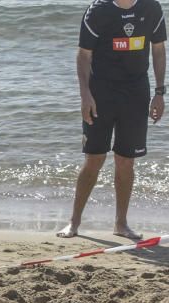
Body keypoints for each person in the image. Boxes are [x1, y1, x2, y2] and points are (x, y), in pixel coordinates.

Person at [59, 0, 166, 240]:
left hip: (136, 93)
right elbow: (84, 55)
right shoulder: (98, 10)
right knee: (94, 158)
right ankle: (73, 223)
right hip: (101, 93)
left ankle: (121, 224)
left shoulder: (152, 8)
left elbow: (158, 50)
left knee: (126, 161)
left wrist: (160, 93)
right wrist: (85, 95)